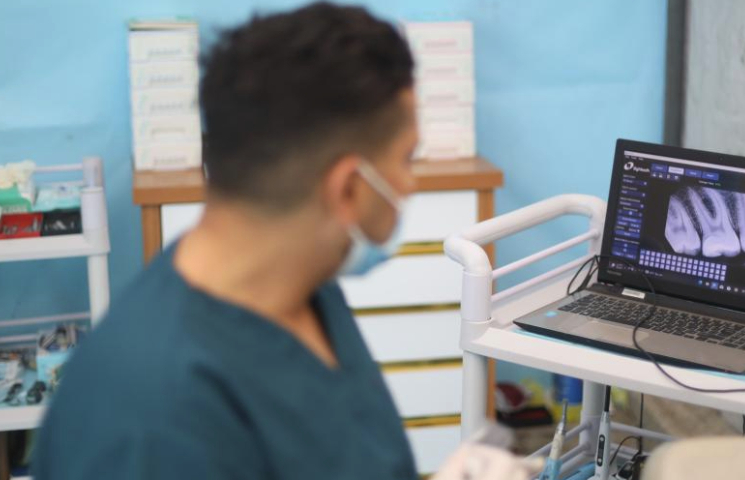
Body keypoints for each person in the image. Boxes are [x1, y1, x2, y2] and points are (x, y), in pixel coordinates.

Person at [34, 3, 534, 479]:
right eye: (406, 158)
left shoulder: (306, 286)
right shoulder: (149, 422)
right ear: (349, 189)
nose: (411, 183)